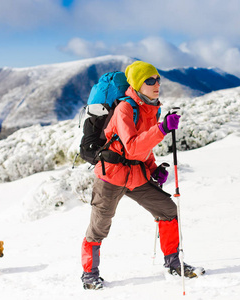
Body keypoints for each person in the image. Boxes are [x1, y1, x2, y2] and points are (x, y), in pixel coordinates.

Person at [81, 61, 203, 290]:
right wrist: (163, 129)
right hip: (111, 175)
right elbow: (131, 147)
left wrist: (153, 167)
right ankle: (89, 274)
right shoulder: (125, 109)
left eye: (158, 79)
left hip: (136, 175)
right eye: (149, 80)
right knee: (99, 226)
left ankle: (173, 263)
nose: (156, 84)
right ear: (137, 84)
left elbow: (143, 149)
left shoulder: (151, 107)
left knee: (167, 210)